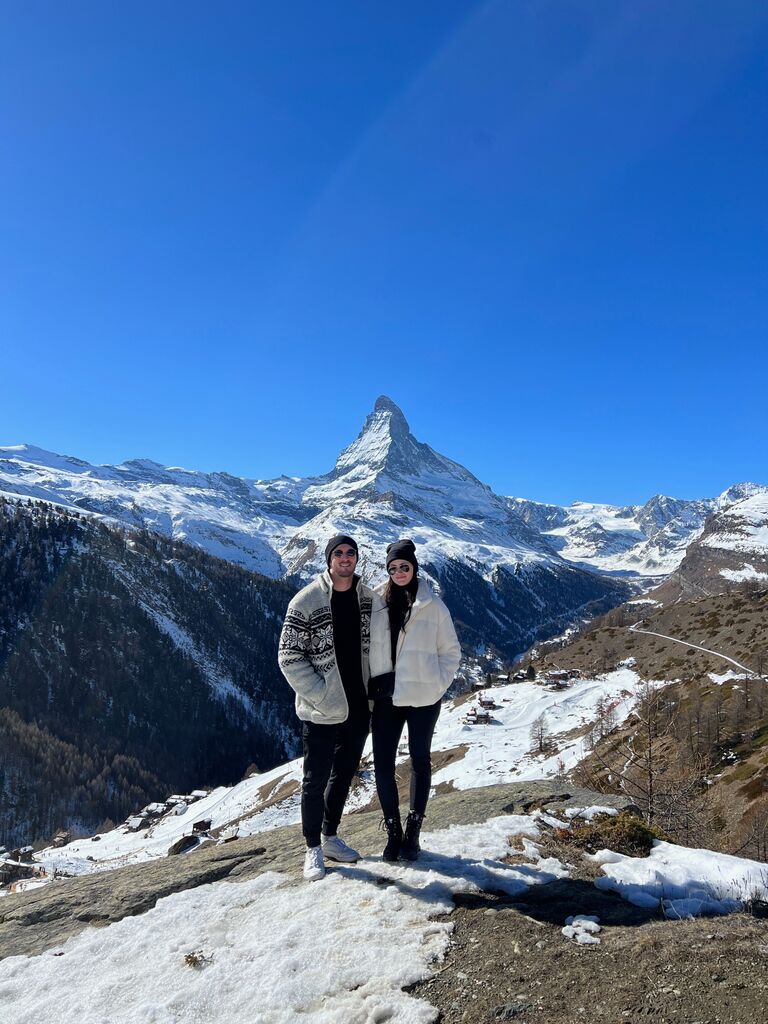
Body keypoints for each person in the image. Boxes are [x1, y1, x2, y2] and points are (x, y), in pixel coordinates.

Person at [278, 534, 374, 881]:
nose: (345, 558)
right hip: (321, 711)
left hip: (360, 707)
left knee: (344, 775)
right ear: (329, 559)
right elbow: (288, 657)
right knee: (314, 781)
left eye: (351, 553)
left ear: (357, 559)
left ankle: (330, 837)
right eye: (339, 553)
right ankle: (312, 849)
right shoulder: (306, 601)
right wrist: (320, 695)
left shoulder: (368, 598)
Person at [369, 539, 461, 861]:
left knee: (420, 760)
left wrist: (437, 685)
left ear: (414, 567)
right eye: (393, 568)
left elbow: (451, 653)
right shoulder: (376, 601)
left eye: (404, 567)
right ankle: (393, 830)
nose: (398, 573)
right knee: (382, 761)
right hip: (386, 696)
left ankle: (414, 832)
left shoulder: (434, 606)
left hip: (424, 696)